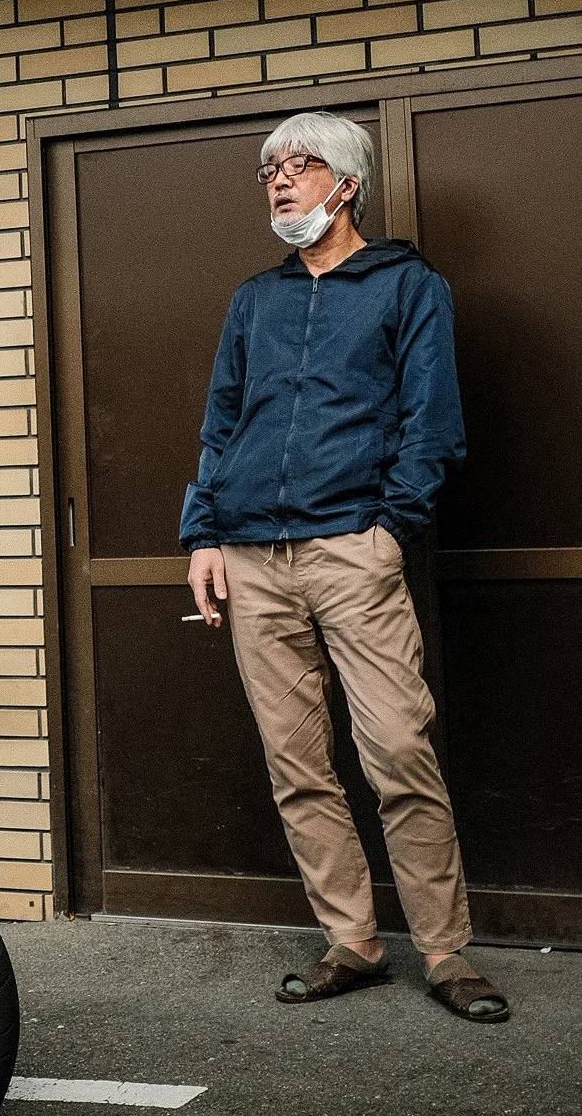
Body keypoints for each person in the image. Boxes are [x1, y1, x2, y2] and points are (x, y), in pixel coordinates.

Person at [181, 111, 508, 1023]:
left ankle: (445, 953)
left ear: (347, 185)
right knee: (297, 764)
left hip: (349, 551)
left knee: (398, 749)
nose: (280, 181)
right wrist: (202, 536)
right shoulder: (256, 299)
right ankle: (352, 942)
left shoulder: (407, 288)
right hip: (249, 555)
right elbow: (220, 423)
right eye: (269, 170)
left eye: (300, 165)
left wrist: (386, 529)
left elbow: (432, 426)